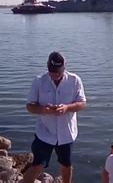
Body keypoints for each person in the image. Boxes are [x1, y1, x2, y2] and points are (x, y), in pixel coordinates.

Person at [23, 52, 87, 183]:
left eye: (58, 72)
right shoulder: (39, 81)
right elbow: (29, 107)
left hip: (66, 133)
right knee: (37, 165)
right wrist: (43, 109)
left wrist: (67, 108)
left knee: (66, 164)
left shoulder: (75, 80)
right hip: (45, 132)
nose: (54, 75)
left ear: (64, 67)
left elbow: (82, 104)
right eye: (51, 71)